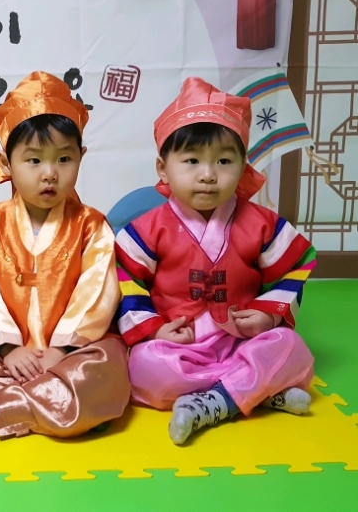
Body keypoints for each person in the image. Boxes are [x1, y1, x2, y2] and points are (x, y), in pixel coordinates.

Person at [114, 77, 316, 445]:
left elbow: (296, 264)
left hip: (242, 340)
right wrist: (155, 329)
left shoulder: (260, 223)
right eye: (191, 161)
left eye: (224, 161)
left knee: (291, 347)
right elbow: (125, 277)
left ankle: (213, 401)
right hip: (180, 344)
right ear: (163, 168)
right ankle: (255, 391)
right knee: (143, 365)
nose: (208, 174)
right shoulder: (149, 228)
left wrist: (269, 315)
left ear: (242, 166)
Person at [0, 71, 130, 452]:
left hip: (74, 351)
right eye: (33, 160)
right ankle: (57, 405)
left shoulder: (91, 225)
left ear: (81, 157)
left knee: (105, 366)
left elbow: (97, 294)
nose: (50, 173)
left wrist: (61, 350)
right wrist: (9, 349)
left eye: (64, 158)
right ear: (6, 162)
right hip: (10, 352)